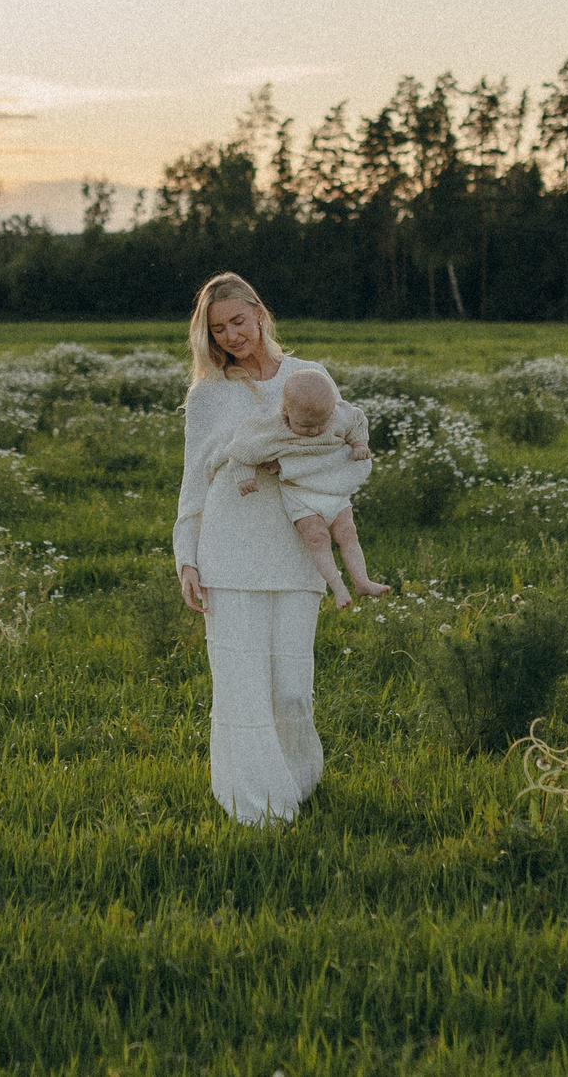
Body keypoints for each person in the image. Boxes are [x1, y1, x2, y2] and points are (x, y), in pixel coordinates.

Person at [172, 271, 337, 826]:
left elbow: (340, 450)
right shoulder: (208, 394)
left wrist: (288, 462)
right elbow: (194, 481)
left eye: (238, 322)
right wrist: (187, 557)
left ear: (260, 314)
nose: (231, 336)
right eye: (218, 330)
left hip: (294, 550)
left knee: (291, 691)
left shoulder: (309, 377)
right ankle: (258, 808)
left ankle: (298, 786)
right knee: (241, 687)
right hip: (228, 550)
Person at [224, 368, 390, 608]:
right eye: (305, 425)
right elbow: (242, 447)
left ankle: (362, 581)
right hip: (300, 495)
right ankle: (339, 588)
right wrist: (245, 476)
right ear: (285, 410)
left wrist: (359, 444)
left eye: (320, 424)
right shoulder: (270, 426)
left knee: (348, 533)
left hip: (331, 488)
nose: (314, 431)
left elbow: (357, 421)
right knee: (317, 538)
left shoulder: (338, 416)